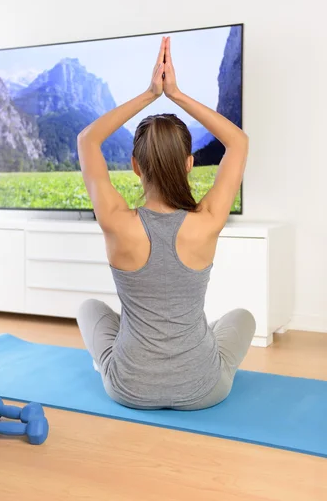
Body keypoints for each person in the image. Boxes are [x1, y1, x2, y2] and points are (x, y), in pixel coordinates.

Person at [76, 36, 255, 410]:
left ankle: (111, 364)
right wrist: (175, 94)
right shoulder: (206, 221)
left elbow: (87, 140)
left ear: (136, 166)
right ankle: (197, 347)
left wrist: (149, 93)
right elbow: (237, 142)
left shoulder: (116, 222)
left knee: (88, 309)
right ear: (189, 164)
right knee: (241, 318)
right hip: (203, 388)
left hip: (128, 388)